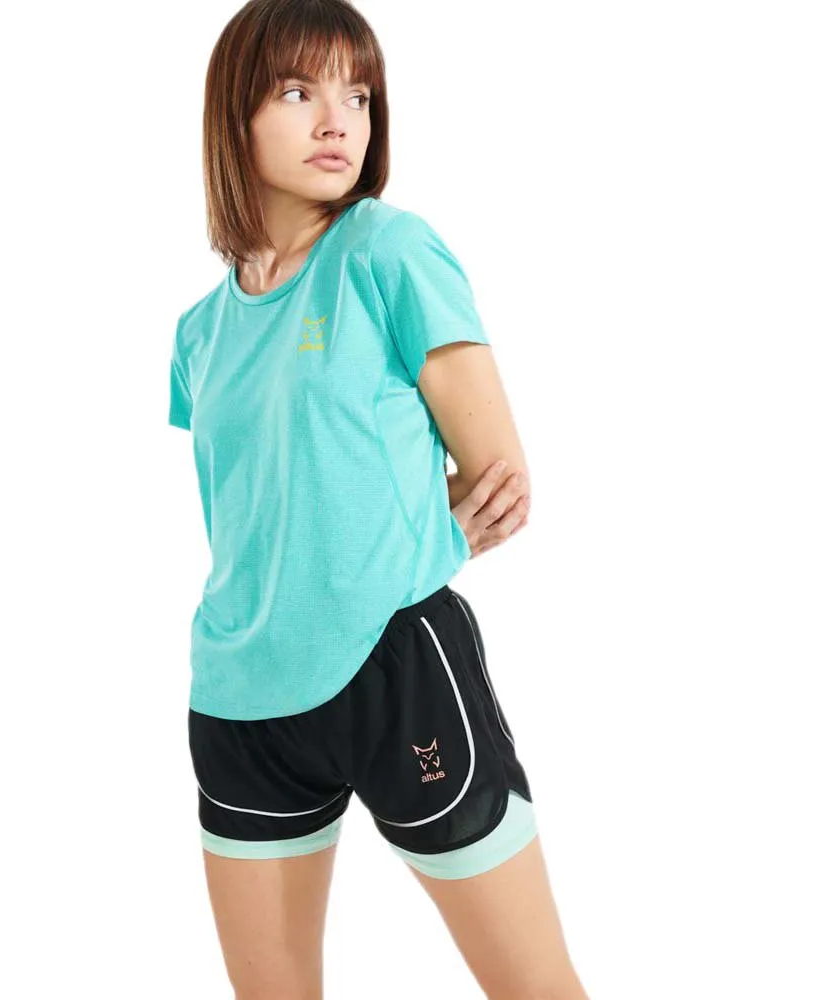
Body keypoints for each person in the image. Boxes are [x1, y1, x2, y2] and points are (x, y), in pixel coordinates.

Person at [168, 2, 589, 997]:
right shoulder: (197, 333)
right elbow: (269, 503)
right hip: (238, 697)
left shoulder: (388, 252)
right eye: (297, 91)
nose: (336, 121)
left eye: (357, 96)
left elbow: (496, 476)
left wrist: (399, 546)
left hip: (395, 669)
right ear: (234, 116)